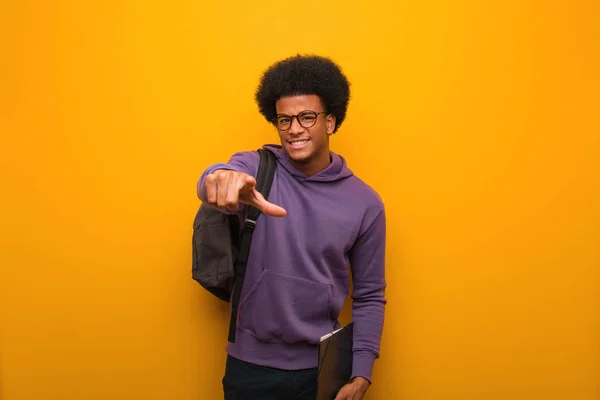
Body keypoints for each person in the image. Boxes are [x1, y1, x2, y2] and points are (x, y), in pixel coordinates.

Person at [196, 54, 387, 400]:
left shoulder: (366, 204)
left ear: (330, 122)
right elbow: (220, 174)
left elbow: (370, 295)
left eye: (306, 117)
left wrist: (362, 373)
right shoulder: (256, 170)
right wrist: (219, 178)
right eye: (284, 120)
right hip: (248, 369)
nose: (294, 129)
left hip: (322, 370)